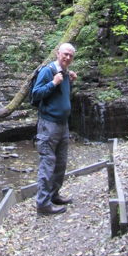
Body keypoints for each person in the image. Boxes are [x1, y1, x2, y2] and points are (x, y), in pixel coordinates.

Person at [32, 43, 78, 215]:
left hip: (63, 124)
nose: (67, 57)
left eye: (70, 56)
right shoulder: (48, 71)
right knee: (47, 163)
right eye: (65, 54)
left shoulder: (65, 73)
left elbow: (61, 97)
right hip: (48, 124)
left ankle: (54, 195)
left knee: (60, 162)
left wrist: (68, 80)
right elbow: (36, 94)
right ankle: (43, 204)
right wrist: (53, 82)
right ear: (58, 53)